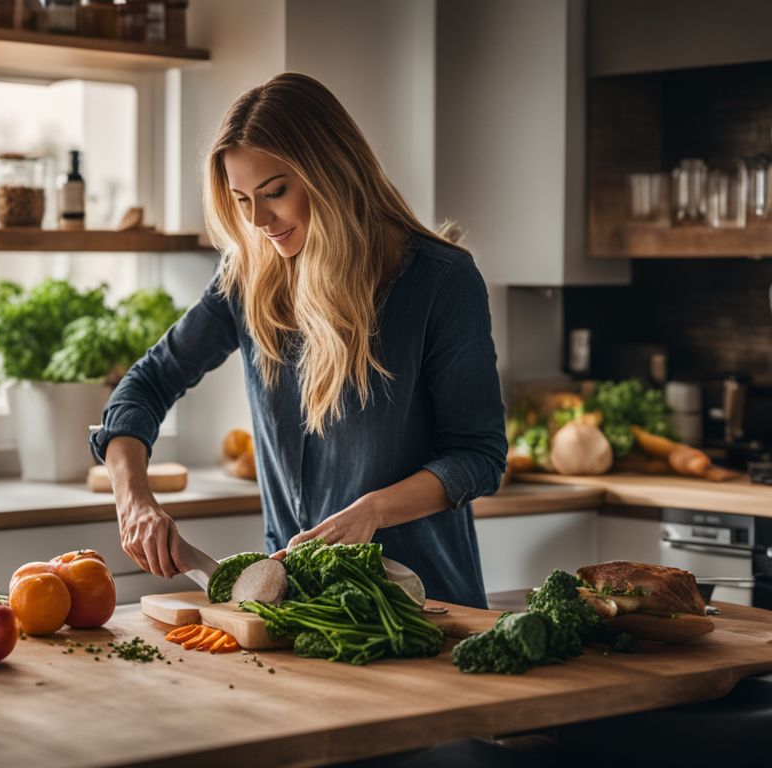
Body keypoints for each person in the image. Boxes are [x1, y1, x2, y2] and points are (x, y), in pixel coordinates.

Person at [88, 72, 507, 608]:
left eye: (275, 192)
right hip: (296, 610)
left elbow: (479, 455)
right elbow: (146, 384)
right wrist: (135, 500)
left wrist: (372, 511)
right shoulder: (248, 279)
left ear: (330, 171)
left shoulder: (441, 280)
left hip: (425, 612)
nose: (259, 221)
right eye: (241, 200)